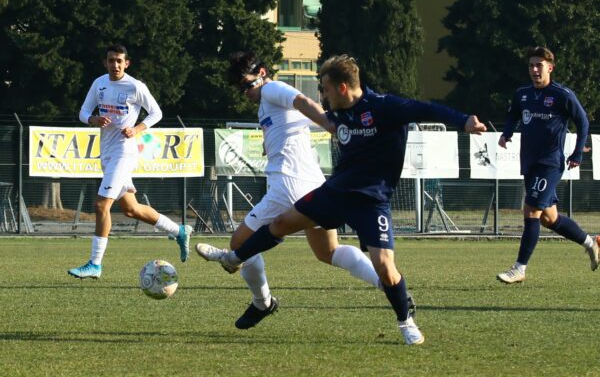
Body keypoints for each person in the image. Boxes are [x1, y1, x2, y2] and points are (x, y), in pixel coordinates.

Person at [197, 54, 487, 345]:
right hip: (335, 192)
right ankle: (234, 258)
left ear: (343, 88)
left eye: (324, 88)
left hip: (371, 200)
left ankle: (405, 321)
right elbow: (301, 114)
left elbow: (426, 109)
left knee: (385, 265)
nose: (321, 95)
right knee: (290, 229)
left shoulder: (382, 107)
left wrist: (463, 121)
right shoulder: (339, 113)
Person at [196, 52, 385, 330]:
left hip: (288, 185)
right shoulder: (265, 104)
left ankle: (263, 302)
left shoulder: (272, 88)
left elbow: (303, 101)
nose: (244, 93)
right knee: (328, 252)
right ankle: (387, 283)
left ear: (262, 73)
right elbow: (296, 119)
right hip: (312, 184)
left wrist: (332, 126)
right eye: (239, 89)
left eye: (247, 85)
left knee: (239, 244)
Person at [68, 44, 192, 279]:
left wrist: (137, 129)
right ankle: (179, 231)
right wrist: (93, 119)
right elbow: (83, 112)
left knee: (101, 205)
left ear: (127, 63)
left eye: (119, 61)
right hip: (106, 152)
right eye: (111, 60)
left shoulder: (136, 86)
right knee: (131, 209)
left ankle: (95, 264)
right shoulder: (99, 83)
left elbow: (156, 112)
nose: (115, 64)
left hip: (124, 152)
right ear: (105, 62)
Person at [496, 46, 598, 284]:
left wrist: (577, 154)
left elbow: (582, 122)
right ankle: (591, 243)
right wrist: (507, 133)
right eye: (531, 65)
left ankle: (519, 268)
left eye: (539, 65)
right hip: (530, 163)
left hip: (550, 163)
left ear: (550, 68)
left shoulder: (562, 94)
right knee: (549, 218)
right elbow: (513, 114)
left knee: (531, 210)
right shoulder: (522, 93)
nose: (534, 70)